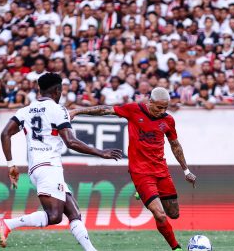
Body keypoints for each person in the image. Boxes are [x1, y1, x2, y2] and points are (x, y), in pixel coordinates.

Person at [0, 73, 122, 250]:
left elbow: (5, 134)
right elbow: (70, 141)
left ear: (40, 90)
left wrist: (11, 165)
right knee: (54, 216)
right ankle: (8, 224)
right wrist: (101, 152)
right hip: (49, 167)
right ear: (57, 90)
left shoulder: (25, 111)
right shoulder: (57, 109)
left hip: (37, 168)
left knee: (73, 213)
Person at [69, 87, 197, 251]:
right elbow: (105, 110)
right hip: (141, 172)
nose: (162, 111)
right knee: (160, 214)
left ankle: (143, 194)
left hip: (161, 170)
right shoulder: (133, 110)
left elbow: (175, 145)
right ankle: (176, 248)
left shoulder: (168, 120)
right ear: (150, 101)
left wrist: (186, 170)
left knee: (174, 214)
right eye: (159, 107)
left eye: (165, 108)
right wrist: (78, 111)